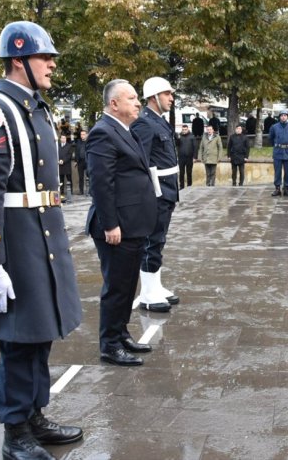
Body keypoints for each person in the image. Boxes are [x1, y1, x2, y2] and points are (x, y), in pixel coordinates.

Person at [0, 20, 82, 460]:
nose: (51, 64)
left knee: (40, 332)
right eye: (43, 57)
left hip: (44, 231)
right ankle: (15, 431)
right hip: (16, 239)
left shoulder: (36, 107)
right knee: (18, 340)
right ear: (19, 60)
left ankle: (34, 414)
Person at [86, 79, 157, 367]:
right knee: (116, 287)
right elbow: (102, 184)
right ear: (114, 103)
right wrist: (110, 224)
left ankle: (121, 333)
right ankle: (109, 345)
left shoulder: (125, 131)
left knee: (128, 285)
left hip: (133, 225)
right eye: (131, 98)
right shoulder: (103, 132)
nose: (138, 103)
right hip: (117, 228)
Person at [131, 76, 180, 311]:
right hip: (157, 192)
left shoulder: (159, 121)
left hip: (168, 189)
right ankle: (148, 293)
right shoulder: (144, 123)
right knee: (152, 241)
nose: (171, 98)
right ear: (154, 97)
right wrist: (150, 194)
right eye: (167, 94)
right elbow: (141, 162)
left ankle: (156, 286)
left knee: (159, 240)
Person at [269, 110, 288, 196]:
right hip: (278, 152)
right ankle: (277, 188)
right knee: (277, 171)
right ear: (279, 117)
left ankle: (286, 188)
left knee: (287, 172)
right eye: (282, 115)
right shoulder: (274, 127)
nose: (283, 117)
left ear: (287, 117)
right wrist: (276, 146)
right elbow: (270, 139)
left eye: (285, 115)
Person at [176, 123, 197, 189]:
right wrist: (178, 139)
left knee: (189, 172)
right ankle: (182, 186)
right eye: (183, 129)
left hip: (189, 158)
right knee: (181, 173)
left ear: (188, 129)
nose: (184, 131)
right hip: (181, 158)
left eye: (185, 129)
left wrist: (195, 157)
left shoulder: (192, 136)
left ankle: (189, 186)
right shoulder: (180, 136)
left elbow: (195, 147)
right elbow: (177, 145)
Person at [58, 134, 74, 200]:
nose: (63, 139)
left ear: (66, 139)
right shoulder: (57, 145)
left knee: (69, 179)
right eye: (62, 138)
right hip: (59, 165)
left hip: (66, 165)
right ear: (60, 139)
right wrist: (58, 160)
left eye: (64, 138)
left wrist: (63, 160)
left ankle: (71, 191)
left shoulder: (69, 146)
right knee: (61, 180)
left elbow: (69, 155)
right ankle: (61, 192)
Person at [74, 129, 88, 194]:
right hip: (80, 161)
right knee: (81, 177)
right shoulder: (78, 142)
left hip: (88, 161)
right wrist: (76, 160)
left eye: (83, 134)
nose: (82, 136)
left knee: (90, 176)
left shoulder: (89, 142)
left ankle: (90, 190)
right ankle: (81, 191)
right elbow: (76, 152)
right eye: (81, 134)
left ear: (86, 135)